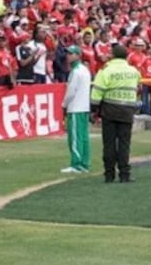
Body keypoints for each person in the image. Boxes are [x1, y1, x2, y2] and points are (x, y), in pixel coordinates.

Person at [89, 43, 140, 183]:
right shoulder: (133, 71)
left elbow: (97, 91)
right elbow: (137, 87)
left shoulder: (105, 70)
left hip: (109, 111)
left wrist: (94, 110)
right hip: (127, 111)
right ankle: (125, 174)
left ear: (112, 55)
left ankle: (109, 175)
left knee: (109, 143)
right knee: (124, 143)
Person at [60, 46, 91, 174]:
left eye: (71, 53)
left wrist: (64, 104)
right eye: (68, 53)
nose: (68, 56)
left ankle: (76, 164)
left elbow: (71, 91)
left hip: (75, 107)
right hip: (83, 107)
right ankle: (84, 163)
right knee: (83, 137)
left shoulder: (76, 71)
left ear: (78, 55)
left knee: (75, 137)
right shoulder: (84, 69)